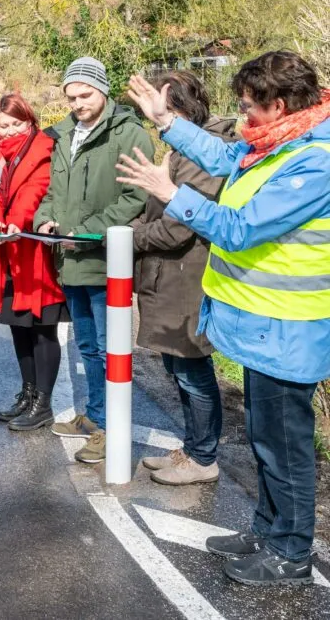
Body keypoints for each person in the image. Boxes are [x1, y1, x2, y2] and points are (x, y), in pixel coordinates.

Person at [121, 50, 330, 586]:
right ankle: (267, 530)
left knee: (285, 448)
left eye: (248, 105)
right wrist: (167, 122)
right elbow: (222, 155)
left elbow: (239, 229)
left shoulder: (314, 161)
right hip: (264, 327)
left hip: (290, 331)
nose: (242, 115)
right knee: (264, 440)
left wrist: (172, 195)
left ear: (278, 105)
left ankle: (291, 554)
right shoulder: (275, 141)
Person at [33, 56, 152, 464]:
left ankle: (111, 430)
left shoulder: (129, 134)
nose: (77, 104)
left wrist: (86, 233)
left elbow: (136, 196)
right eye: (71, 97)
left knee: (108, 349)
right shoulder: (64, 135)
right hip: (69, 262)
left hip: (105, 262)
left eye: (85, 95)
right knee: (86, 346)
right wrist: (45, 219)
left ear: (102, 90)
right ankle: (97, 415)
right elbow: (53, 192)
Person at [128, 71, 235, 486]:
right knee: (178, 366)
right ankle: (192, 449)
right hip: (169, 274)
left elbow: (177, 229)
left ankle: (203, 457)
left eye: (165, 108)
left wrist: (129, 238)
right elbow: (155, 208)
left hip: (187, 275)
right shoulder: (182, 149)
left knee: (193, 369)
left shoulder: (207, 152)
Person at [0, 94, 67, 432]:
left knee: (43, 328)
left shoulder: (44, 149)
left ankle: (43, 403)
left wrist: (15, 223)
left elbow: (36, 191)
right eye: (5, 125)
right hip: (7, 253)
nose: (11, 130)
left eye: (17, 123)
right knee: (18, 326)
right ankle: (28, 393)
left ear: (30, 121)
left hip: (34, 253)